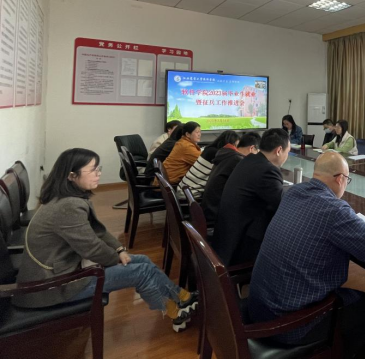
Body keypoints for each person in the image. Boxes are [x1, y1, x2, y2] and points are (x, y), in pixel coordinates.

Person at [13, 148, 199, 332]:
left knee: (143, 260)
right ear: (71, 176)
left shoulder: (69, 197)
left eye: (98, 168)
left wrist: (119, 250)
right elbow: (91, 248)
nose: (98, 174)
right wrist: (115, 258)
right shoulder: (68, 206)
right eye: (92, 170)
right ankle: (176, 312)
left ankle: (182, 297)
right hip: (52, 287)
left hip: (63, 271)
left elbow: (98, 231)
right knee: (141, 272)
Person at [248, 152, 365, 358]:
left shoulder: (293, 193)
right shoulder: (334, 209)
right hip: (287, 325)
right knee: (363, 304)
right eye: (347, 180)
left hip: (259, 307)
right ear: (340, 179)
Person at [213, 128, 290, 266]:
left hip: (225, 238)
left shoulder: (248, 160)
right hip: (240, 247)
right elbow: (283, 206)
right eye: (288, 152)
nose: (287, 156)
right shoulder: (268, 170)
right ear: (279, 150)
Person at [202, 132, 261, 226]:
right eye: (257, 152)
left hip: (210, 209)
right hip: (217, 216)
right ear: (252, 148)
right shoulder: (238, 161)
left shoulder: (227, 154)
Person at [179, 130, 239, 199]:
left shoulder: (209, 149)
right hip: (191, 195)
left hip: (184, 190)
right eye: (236, 146)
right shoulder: (218, 154)